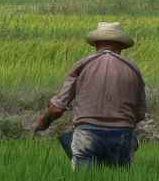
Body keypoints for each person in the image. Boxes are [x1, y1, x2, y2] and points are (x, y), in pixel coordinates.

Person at [33, 22, 147, 169]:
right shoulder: (133, 70)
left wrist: (43, 122)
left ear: (96, 43)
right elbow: (140, 115)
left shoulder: (82, 66)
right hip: (122, 136)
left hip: (87, 135)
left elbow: (57, 109)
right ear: (121, 46)